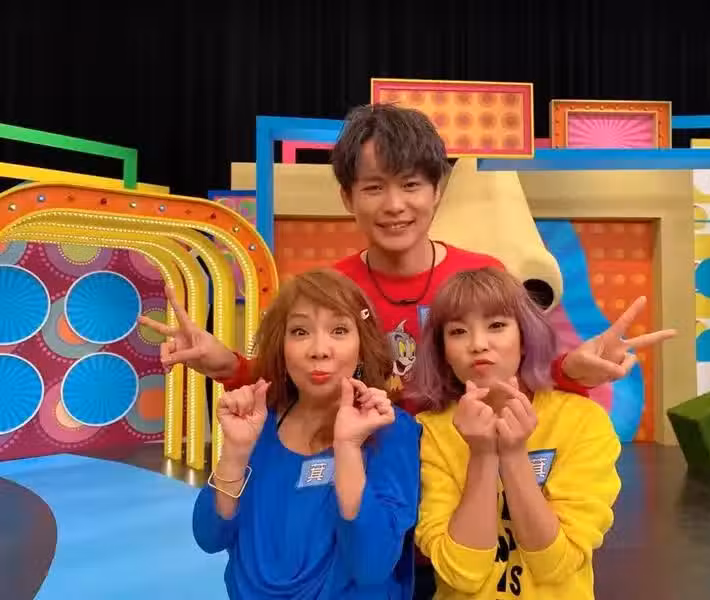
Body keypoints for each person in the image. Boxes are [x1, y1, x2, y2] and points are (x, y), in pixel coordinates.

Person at [138, 102, 673, 599]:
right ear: (348, 197)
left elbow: (510, 369)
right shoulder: (334, 290)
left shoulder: (479, 274)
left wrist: (571, 369)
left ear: (437, 190)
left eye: (411, 184)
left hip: (463, 496)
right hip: (365, 505)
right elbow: (298, 381)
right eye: (374, 188)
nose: (394, 205)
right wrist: (228, 365)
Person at [191, 268, 421, 599]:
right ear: (281, 347)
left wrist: (347, 448)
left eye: (339, 330)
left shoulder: (390, 429)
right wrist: (235, 453)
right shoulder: (260, 421)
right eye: (300, 331)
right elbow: (209, 537)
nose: (319, 349)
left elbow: (371, 565)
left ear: (362, 345)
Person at [410, 267, 621, 600]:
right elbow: (461, 571)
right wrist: (482, 455)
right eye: (458, 331)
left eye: (496, 325)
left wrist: (513, 454)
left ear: (525, 338)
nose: (478, 344)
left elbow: (555, 564)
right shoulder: (428, 431)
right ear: (443, 352)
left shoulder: (582, 420)